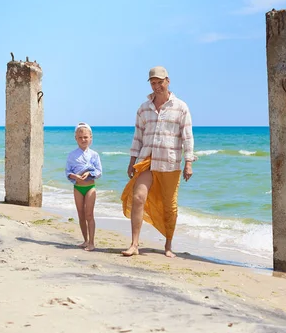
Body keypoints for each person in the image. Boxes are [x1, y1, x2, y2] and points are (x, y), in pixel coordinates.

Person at [120, 66, 196, 258]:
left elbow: (187, 137)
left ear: (167, 81)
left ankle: (168, 245)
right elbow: (137, 137)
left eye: (159, 82)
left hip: (169, 163)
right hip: (146, 161)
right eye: (153, 83)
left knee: (170, 206)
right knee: (138, 198)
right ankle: (134, 244)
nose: (156, 86)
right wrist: (132, 161)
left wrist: (188, 162)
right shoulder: (143, 108)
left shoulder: (181, 107)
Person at [65, 122, 102, 251]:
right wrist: (75, 176)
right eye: (80, 138)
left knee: (89, 215)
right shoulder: (72, 155)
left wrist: (89, 173)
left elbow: (99, 172)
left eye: (86, 137)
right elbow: (67, 171)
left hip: (90, 187)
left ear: (91, 138)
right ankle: (85, 240)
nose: (83, 140)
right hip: (78, 188)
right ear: (76, 138)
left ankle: (92, 242)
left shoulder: (94, 155)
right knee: (81, 215)